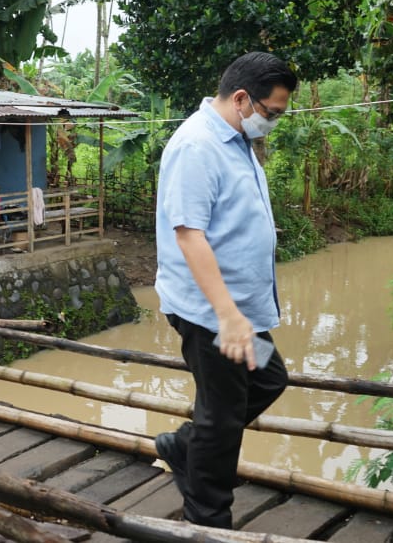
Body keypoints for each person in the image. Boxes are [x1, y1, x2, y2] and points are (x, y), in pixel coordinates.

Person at [153, 52, 297, 529]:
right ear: (241, 99)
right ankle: (208, 519)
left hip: (235, 308)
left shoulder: (235, 139)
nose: (272, 122)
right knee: (222, 415)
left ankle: (184, 446)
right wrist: (228, 315)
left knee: (268, 379)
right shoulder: (197, 145)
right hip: (209, 310)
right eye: (271, 113)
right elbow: (189, 233)